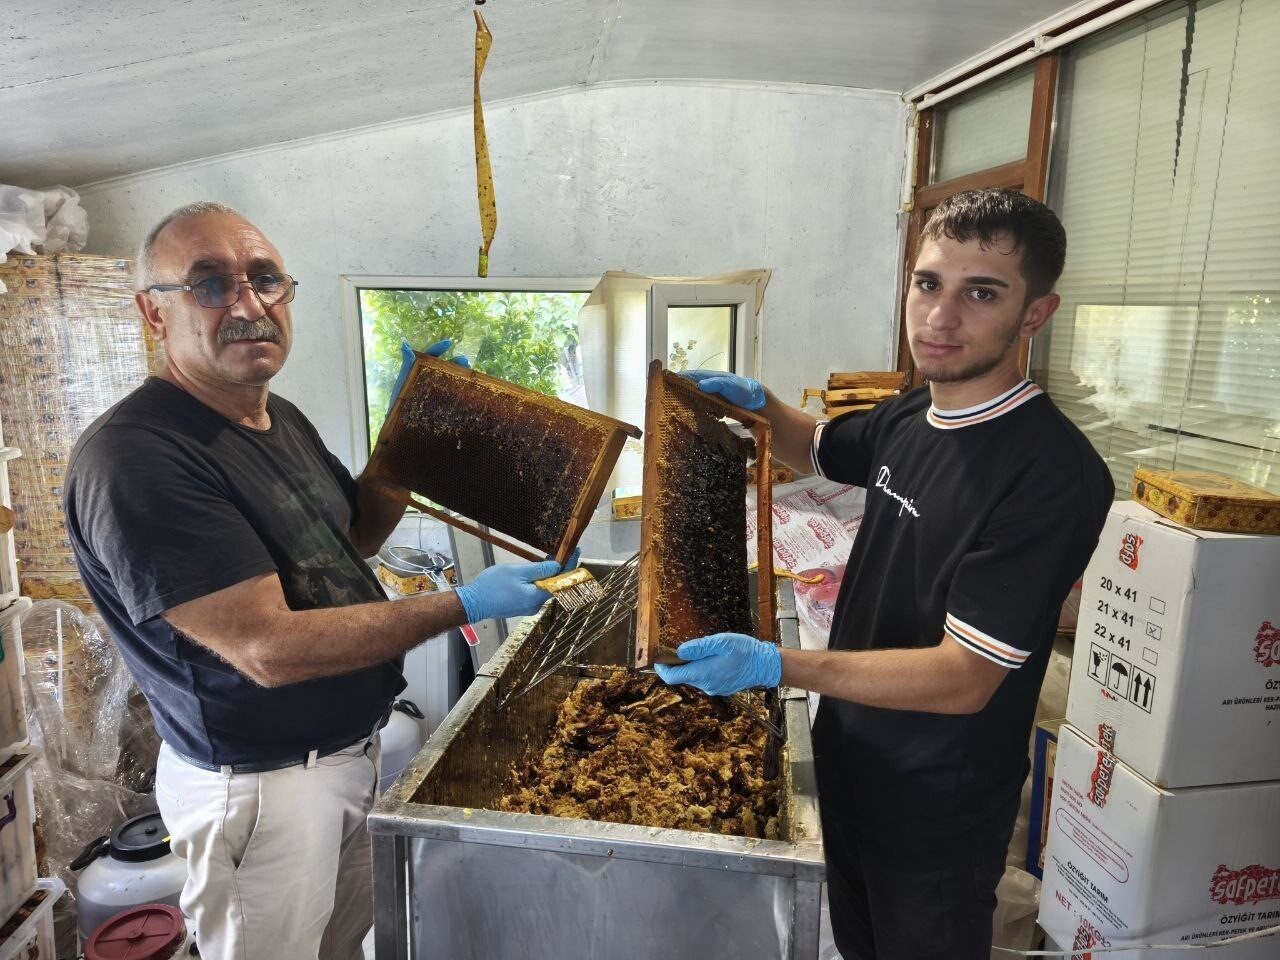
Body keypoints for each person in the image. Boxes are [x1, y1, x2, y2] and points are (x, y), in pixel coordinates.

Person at [64, 201, 569, 960]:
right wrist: (462, 603)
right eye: (209, 285)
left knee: (341, 946)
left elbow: (354, 535)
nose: (249, 304)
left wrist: (408, 433)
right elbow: (266, 648)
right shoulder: (138, 457)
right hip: (262, 792)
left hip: (346, 759)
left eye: (265, 279)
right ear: (152, 311)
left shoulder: (279, 418)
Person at [655, 188, 1114, 959]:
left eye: (982, 293)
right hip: (853, 757)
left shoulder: (1051, 474)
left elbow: (964, 677)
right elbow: (820, 446)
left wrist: (776, 663)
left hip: (935, 801)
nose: (941, 316)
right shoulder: (913, 412)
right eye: (928, 283)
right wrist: (760, 404)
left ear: (1035, 314)